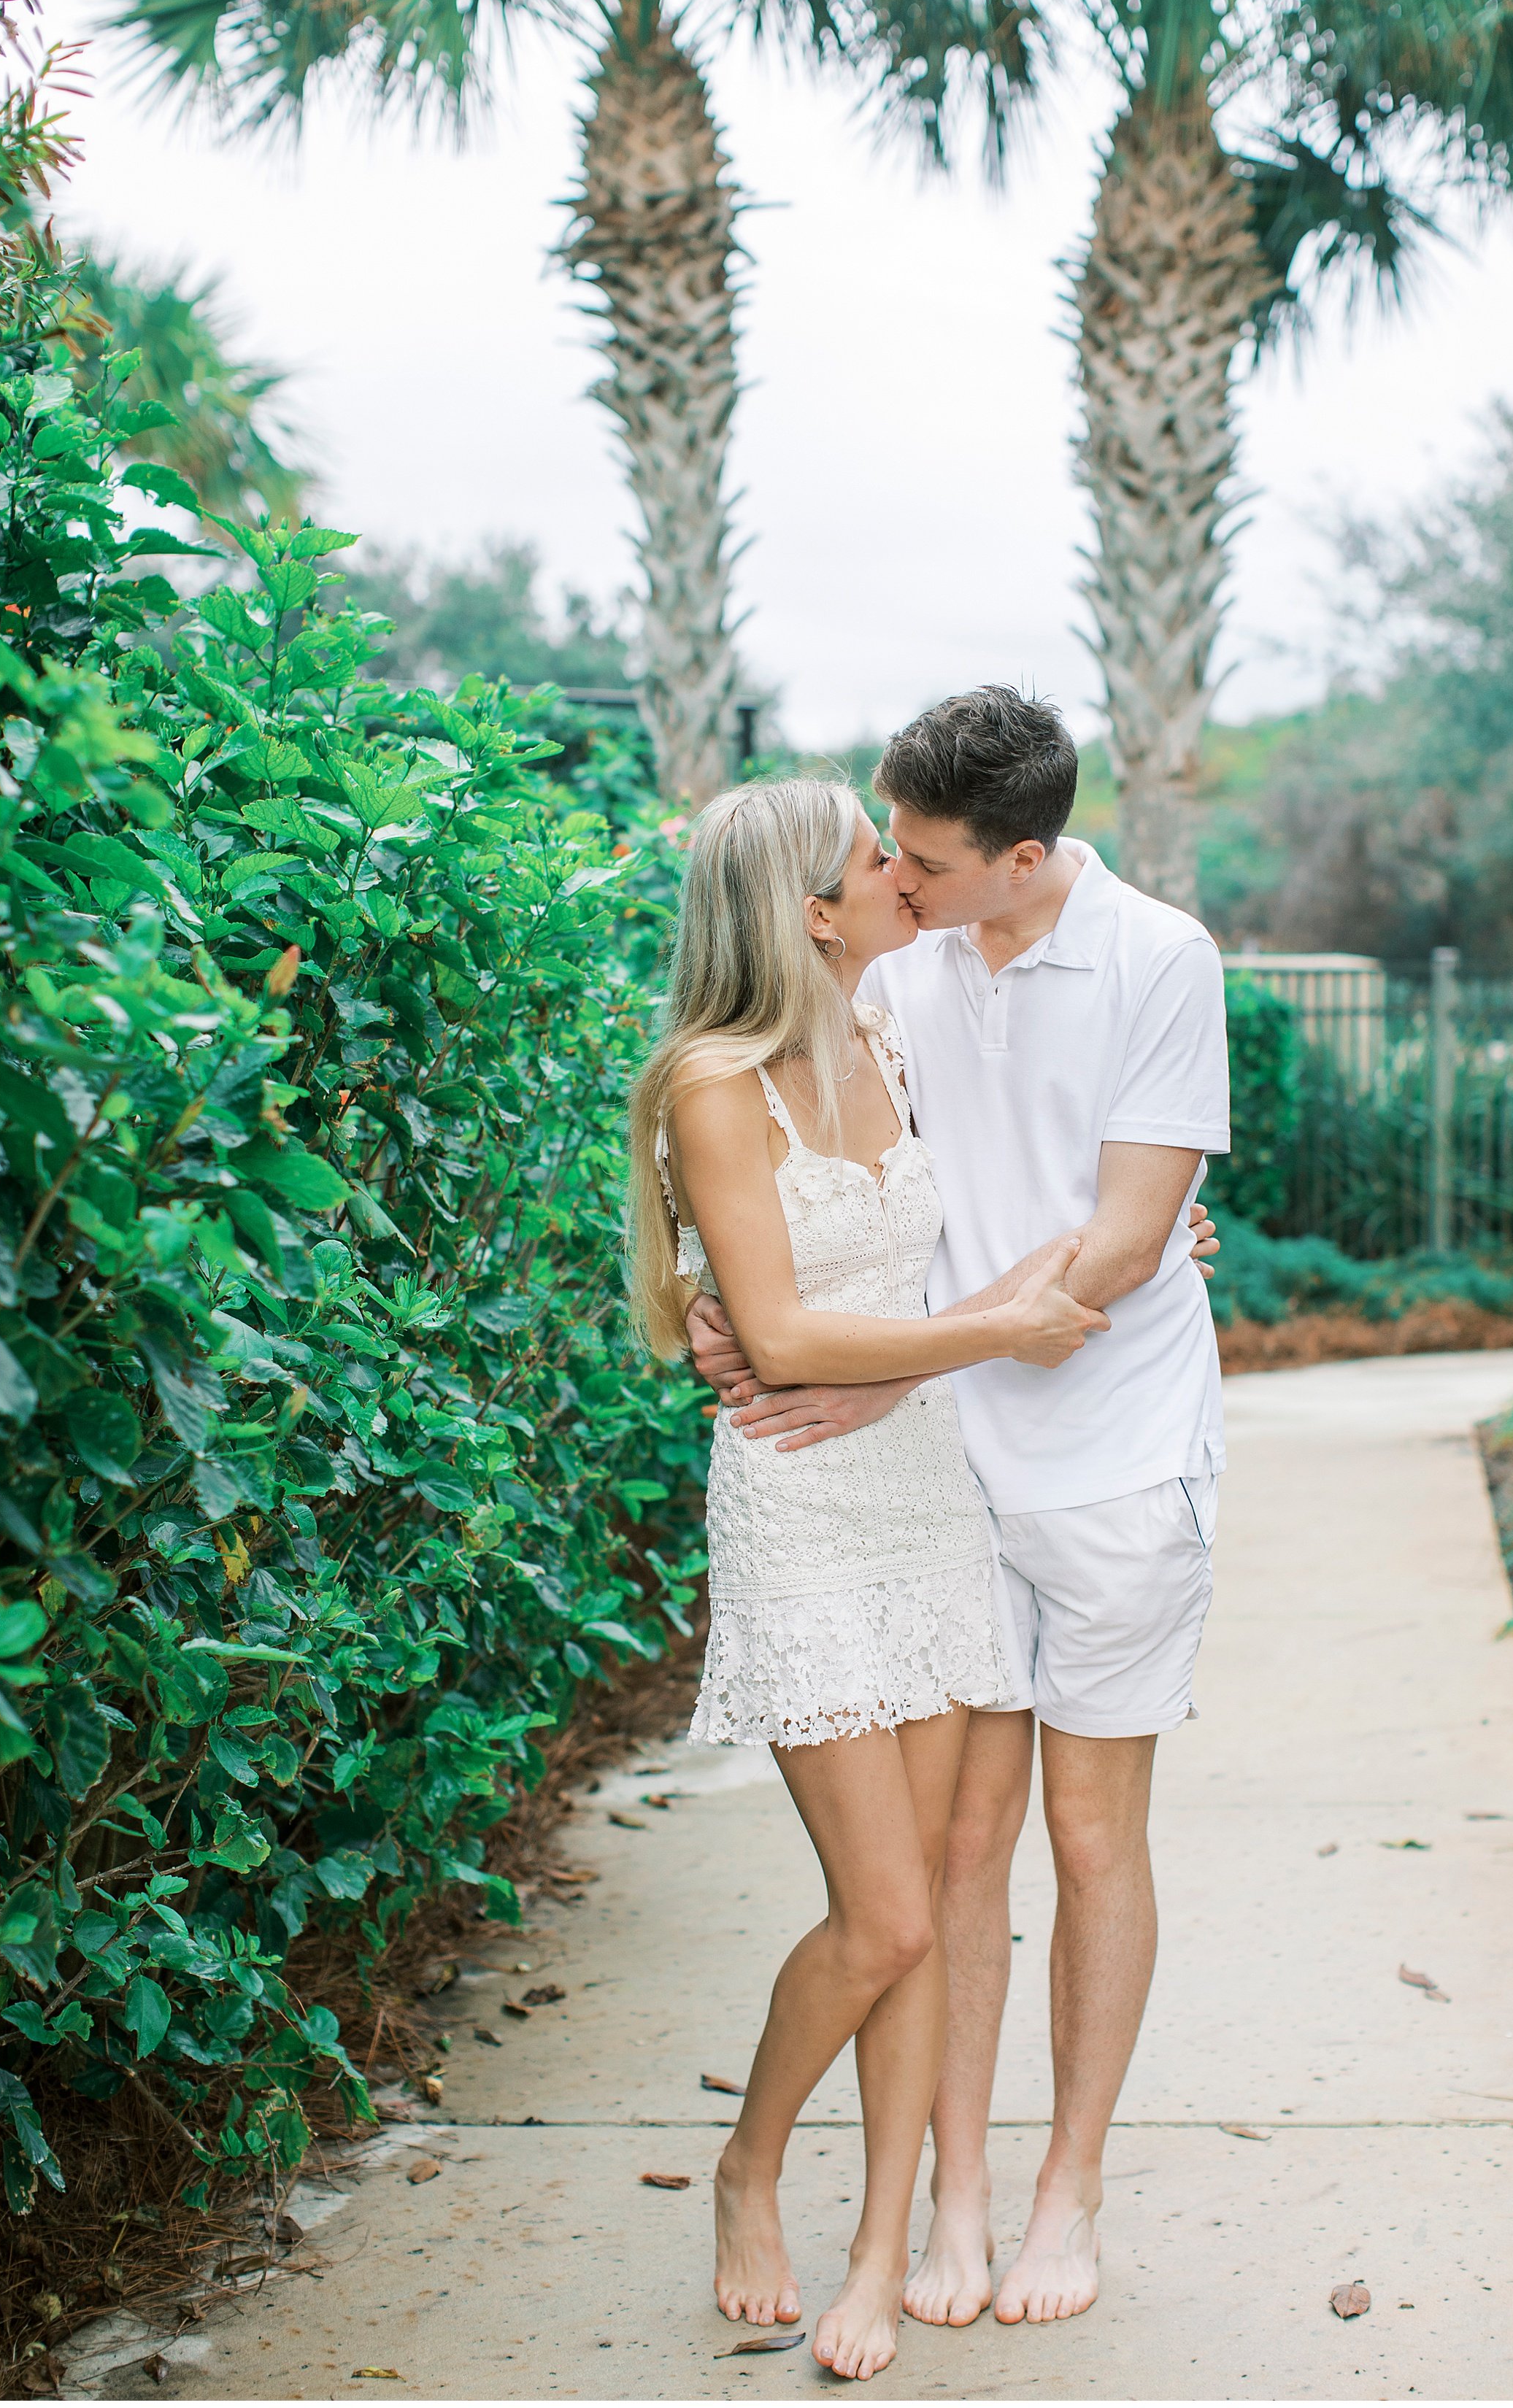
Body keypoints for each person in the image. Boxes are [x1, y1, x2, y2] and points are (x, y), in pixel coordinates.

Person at [689, 686, 1228, 2333]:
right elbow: (809, 1195)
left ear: (1022, 857)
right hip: (942, 1478)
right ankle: (957, 2195)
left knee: (1086, 1836)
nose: (897, 883)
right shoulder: (890, 972)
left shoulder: (1156, 957)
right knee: (955, 1857)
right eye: (887, 857)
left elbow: (1127, 1241)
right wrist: (735, 1312)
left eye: (921, 862)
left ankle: (1064, 2185)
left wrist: (878, 1373)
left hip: (1120, 1461)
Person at [628, 776, 1108, 2382]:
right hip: (804, 1507)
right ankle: (749, 2166)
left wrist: (1140, 1237)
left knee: (910, 1920)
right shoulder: (712, 1084)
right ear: (807, 911)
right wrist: (995, 1329)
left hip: (928, 1491)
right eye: (871, 860)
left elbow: (1015, 1203)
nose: (904, 873)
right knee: (885, 1914)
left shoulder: (890, 1032)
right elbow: (775, 1336)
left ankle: (874, 2256)